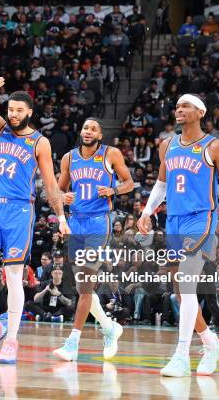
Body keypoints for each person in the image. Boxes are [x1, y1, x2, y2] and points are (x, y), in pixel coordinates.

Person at [0, 76, 70, 364]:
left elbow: (49, 183)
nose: (13, 114)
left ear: (29, 113)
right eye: (11, 109)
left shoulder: (39, 142)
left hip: (20, 211)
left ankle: (12, 340)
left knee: (12, 277)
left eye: (19, 111)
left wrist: (60, 215)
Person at [138, 94, 219, 377]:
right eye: (177, 106)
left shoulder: (215, 147)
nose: (179, 110)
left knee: (185, 285)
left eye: (185, 106)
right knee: (179, 292)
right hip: (173, 220)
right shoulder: (167, 145)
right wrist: (147, 211)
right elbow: (161, 183)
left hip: (201, 219)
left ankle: (181, 355)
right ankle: (211, 343)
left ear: (200, 112)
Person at [52, 118, 134, 362]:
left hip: (98, 223)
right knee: (82, 287)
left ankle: (72, 343)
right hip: (75, 222)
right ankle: (110, 329)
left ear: (100, 135)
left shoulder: (112, 154)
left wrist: (113, 191)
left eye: (93, 129)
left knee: (86, 285)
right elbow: (57, 191)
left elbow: (129, 183)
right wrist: (62, 197)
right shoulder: (69, 158)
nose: (88, 131)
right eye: (85, 127)